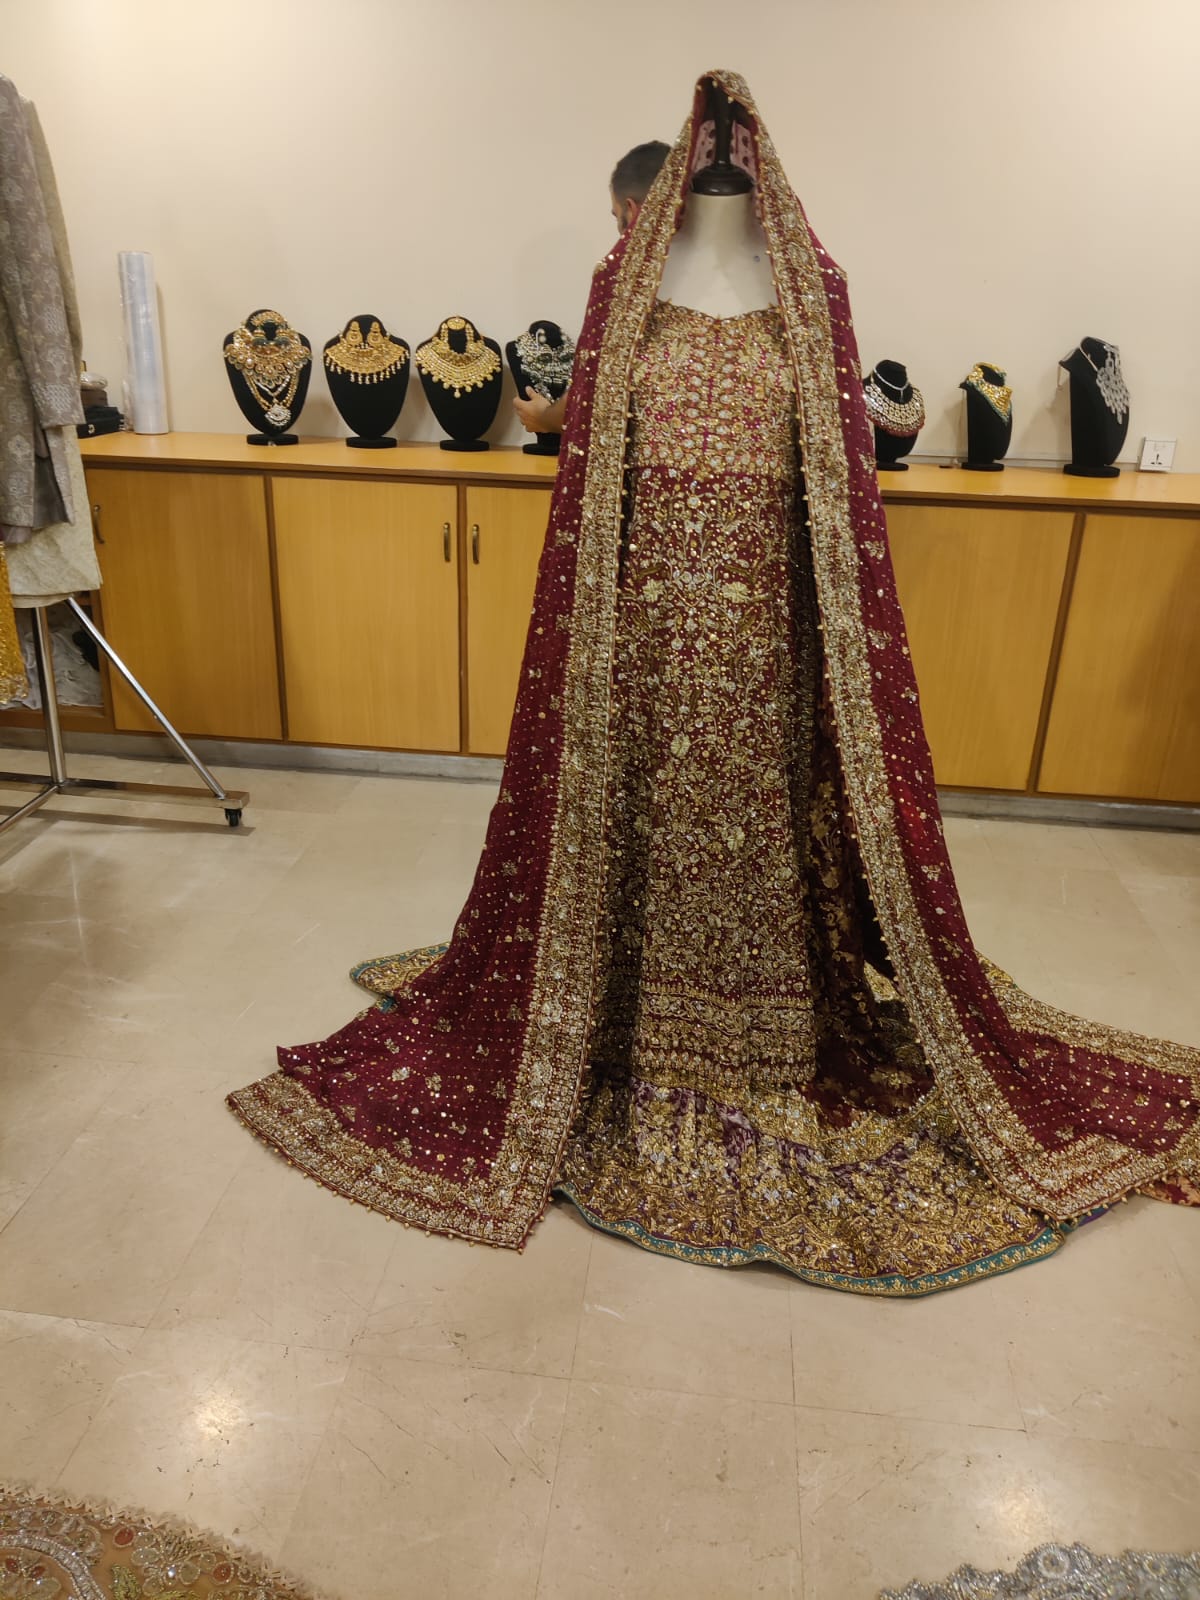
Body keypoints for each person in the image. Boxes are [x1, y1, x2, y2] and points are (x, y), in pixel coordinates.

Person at [229, 71, 1198, 1295]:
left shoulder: (816, 295)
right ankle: (619, 1021)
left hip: (770, 663)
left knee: (751, 851)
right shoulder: (621, 294)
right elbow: (591, 489)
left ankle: (767, 1043)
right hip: (635, 654)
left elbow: (840, 503)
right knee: (643, 840)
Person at [512, 140, 670, 439]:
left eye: (616, 216)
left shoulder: (622, 280)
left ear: (632, 211)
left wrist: (545, 417)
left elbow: (593, 396)